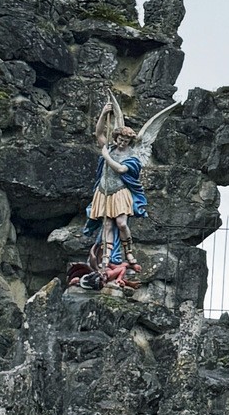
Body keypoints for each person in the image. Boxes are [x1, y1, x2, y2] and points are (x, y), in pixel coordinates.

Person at [65, 96, 173, 290]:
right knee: (106, 225)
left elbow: (121, 170)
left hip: (120, 192)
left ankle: (128, 253)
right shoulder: (111, 147)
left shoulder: (132, 157)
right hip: (104, 192)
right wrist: (104, 114)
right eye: (120, 138)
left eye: (126, 140)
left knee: (121, 223)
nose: (122, 142)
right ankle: (106, 258)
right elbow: (98, 133)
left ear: (131, 142)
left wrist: (106, 156)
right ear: (116, 138)